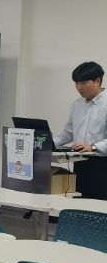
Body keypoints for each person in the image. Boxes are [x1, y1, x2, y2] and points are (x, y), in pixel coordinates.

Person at [54, 61, 107, 199]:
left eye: (83, 83)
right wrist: (48, 142)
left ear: (97, 81)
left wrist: (93, 147)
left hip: (102, 165)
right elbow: (68, 133)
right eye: (76, 83)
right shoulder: (77, 105)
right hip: (80, 163)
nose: (79, 87)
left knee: (100, 207)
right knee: (80, 204)